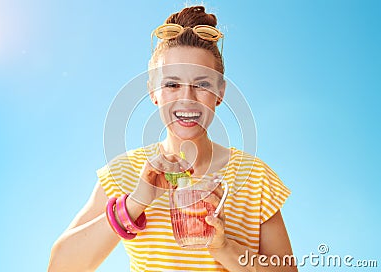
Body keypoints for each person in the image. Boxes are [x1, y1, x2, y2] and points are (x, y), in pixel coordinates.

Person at [48, 5, 297, 272]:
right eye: (172, 84)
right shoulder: (124, 172)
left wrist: (223, 248)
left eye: (202, 85)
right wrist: (136, 202)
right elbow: (61, 267)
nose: (187, 99)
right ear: (153, 92)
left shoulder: (255, 177)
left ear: (220, 92)